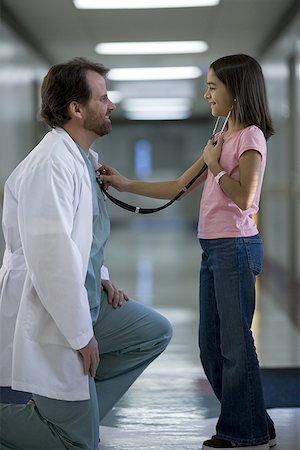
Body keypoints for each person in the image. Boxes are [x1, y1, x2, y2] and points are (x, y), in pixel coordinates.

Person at [99, 54, 276, 450]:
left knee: (234, 344)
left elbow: (246, 199)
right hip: (213, 249)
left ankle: (242, 431)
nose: (206, 94)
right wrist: (125, 184)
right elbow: (179, 185)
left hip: (235, 247)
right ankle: (255, 420)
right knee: (210, 346)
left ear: (237, 89)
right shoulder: (221, 136)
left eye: (213, 87)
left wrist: (215, 167)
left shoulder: (250, 137)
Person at [0, 57, 172, 450]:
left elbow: (86, 236)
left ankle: (80, 415)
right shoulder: (51, 165)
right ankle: (68, 423)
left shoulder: (82, 160)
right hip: (53, 308)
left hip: (88, 296)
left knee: (152, 332)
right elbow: (52, 258)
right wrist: (81, 336)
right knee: (75, 443)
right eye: (103, 97)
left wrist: (103, 275)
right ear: (76, 109)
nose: (111, 105)